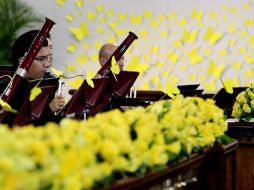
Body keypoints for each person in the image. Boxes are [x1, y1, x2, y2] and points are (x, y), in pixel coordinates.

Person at [1, 30, 65, 125]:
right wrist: (48, 110)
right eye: (42, 59)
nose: (47, 65)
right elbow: (15, 127)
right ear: (23, 61)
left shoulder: (48, 82)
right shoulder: (6, 88)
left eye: (50, 57)